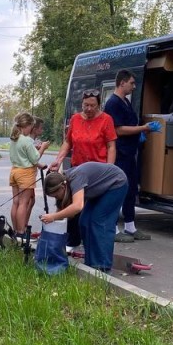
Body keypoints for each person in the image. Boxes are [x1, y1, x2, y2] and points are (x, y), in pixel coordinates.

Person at [49, 88, 117, 256]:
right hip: (77, 169)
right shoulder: (75, 119)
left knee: (92, 211)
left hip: (97, 172)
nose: (88, 109)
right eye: (85, 105)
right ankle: (72, 241)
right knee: (73, 206)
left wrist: (110, 168)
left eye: (92, 106)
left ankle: (92, 244)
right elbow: (67, 143)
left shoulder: (106, 120)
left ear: (98, 105)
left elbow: (111, 146)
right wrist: (58, 159)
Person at [38, 163, 128, 274]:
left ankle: (103, 266)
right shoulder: (65, 181)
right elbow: (64, 213)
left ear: (62, 187)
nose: (57, 198)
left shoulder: (76, 178)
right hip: (101, 189)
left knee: (99, 221)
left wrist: (53, 217)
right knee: (84, 221)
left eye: (56, 195)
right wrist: (53, 220)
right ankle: (91, 262)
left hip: (116, 183)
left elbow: (77, 206)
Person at [103, 69, 159, 242]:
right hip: (120, 154)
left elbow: (130, 125)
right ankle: (112, 227)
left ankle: (130, 226)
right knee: (117, 190)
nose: (134, 86)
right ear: (122, 83)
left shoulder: (125, 102)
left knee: (130, 189)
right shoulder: (113, 103)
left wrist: (139, 134)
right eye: (132, 83)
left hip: (130, 153)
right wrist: (143, 128)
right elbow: (118, 129)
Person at [8, 111, 46, 242]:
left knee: (16, 202)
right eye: (31, 126)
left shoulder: (14, 139)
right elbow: (34, 158)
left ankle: (15, 229)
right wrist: (43, 148)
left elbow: (23, 157)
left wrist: (39, 164)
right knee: (24, 203)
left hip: (14, 171)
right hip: (25, 173)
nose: (31, 129)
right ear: (27, 125)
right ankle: (21, 232)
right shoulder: (26, 141)